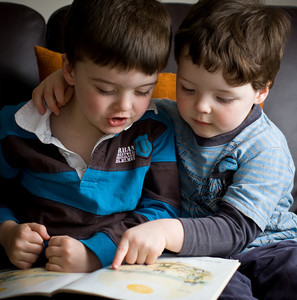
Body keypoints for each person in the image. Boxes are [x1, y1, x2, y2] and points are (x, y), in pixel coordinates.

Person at [33, 0, 297, 298]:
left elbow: (237, 229)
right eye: (187, 89)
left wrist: (164, 231)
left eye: (223, 98)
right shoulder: (165, 117)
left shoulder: (265, 149)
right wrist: (65, 80)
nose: (201, 107)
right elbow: (121, 101)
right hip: (192, 257)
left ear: (261, 91)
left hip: (268, 247)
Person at [0, 0, 181, 273]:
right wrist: (7, 231)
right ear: (69, 70)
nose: (125, 106)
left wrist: (97, 253)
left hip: (117, 269)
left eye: (143, 91)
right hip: (34, 274)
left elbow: (163, 209)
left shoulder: (155, 130)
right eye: (106, 90)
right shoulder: (17, 127)